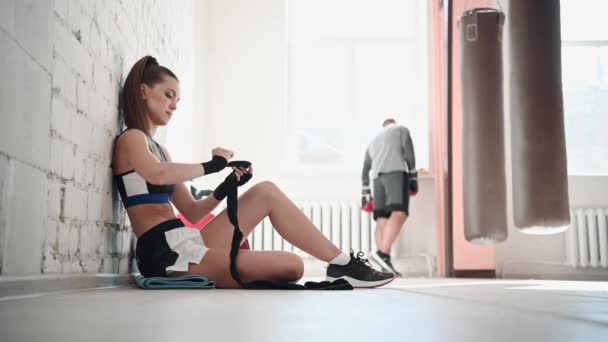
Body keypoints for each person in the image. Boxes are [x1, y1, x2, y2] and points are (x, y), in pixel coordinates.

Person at [112, 56, 394, 289]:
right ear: (143, 91)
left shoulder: (159, 149)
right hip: (163, 255)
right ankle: (340, 266)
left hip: (183, 240)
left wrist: (225, 184)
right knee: (292, 266)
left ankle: (342, 263)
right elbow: (157, 175)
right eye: (168, 95)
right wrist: (211, 165)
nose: (174, 105)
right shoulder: (131, 139)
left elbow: (194, 211)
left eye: (177, 99)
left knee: (265, 191)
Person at [361, 118, 418, 277]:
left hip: (377, 179)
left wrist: (365, 191)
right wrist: (413, 176)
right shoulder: (400, 130)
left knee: (382, 218)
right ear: (393, 123)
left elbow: (365, 168)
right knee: (399, 212)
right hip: (395, 174)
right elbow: (408, 152)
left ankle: (383, 266)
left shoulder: (374, 140)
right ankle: (382, 254)